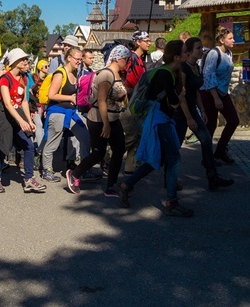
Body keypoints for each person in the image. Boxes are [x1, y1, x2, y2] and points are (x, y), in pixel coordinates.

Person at [119, 40, 194, 217]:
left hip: (161, 119)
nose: (187, 54)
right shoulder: (166, 74)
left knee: (156, 160)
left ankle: (126, 185)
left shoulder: (170, 72)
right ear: (176, 56)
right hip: (160, 120)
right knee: (173, 159)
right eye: (184, 52)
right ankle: (171, 202)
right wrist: (181, 94)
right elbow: (175, 103)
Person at [66, 45, 130, 196]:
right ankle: (74, 174)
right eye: (126, 59)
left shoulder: (116, 73)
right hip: (100, 120)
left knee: (119, 150)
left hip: (113, 118)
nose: (127, 62)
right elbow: (101, 100)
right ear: (119, 58)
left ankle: (111, 186)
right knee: (98, 153)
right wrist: (106, 124)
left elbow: (113, 96)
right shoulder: (106, 75)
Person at [174, 38, 234, 191]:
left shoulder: (197, 67)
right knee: (175, 146)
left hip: (193, 110)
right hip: (181, 112)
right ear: (189, 51)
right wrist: (188, 118)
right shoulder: (183, 68)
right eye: (198, 48)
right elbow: (181, 95)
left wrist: (203, 110)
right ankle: (169, 179)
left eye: (201, 47)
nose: (202, 51)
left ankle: (213, 178)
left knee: (206, 140)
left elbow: (196, 92)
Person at [0, 48, 47, 194]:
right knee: (3, 149)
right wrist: (21, 121)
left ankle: (28, 179)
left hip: (18, 114)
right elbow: (7, 104)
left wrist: (29, 120)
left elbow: (24, 102)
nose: (26, 62)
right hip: (4, 116)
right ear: (15, 62)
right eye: (23, 60)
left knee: (28, 145)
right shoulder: (5, 78)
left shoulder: (24, 77)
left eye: (26, 59)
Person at [42, 46, 91, 183]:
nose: (79, 62)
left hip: (72, 113)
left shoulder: (76, 74)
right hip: (57, 112)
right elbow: (52, 94)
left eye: (81, 59)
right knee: (53, 143)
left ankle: (84, 169)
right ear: (69, 58)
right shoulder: (60, 73)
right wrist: (70, 98)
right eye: (77, 59)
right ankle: (47, 170)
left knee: (85, 138)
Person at [201, 27, 240, 164]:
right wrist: (215, 97)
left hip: (222, 92)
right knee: (211, 125)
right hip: (210, 93)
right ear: (222, 40)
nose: (233, 40)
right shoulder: (214, 53)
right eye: (230, 38)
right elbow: (208, 74)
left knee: (233, 120)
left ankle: (220, 150)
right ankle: (207, 158)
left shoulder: (229, 54)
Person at [119, 30, 151, 174]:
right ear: (138, 42)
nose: (149, 43)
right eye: (146, 40)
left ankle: (130, 166)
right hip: (129, 101)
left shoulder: (140, 59)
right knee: (132, 134)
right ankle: (109, 157)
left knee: (137, 134)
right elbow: (127, 78)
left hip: (137, 100)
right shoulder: (132, 58)